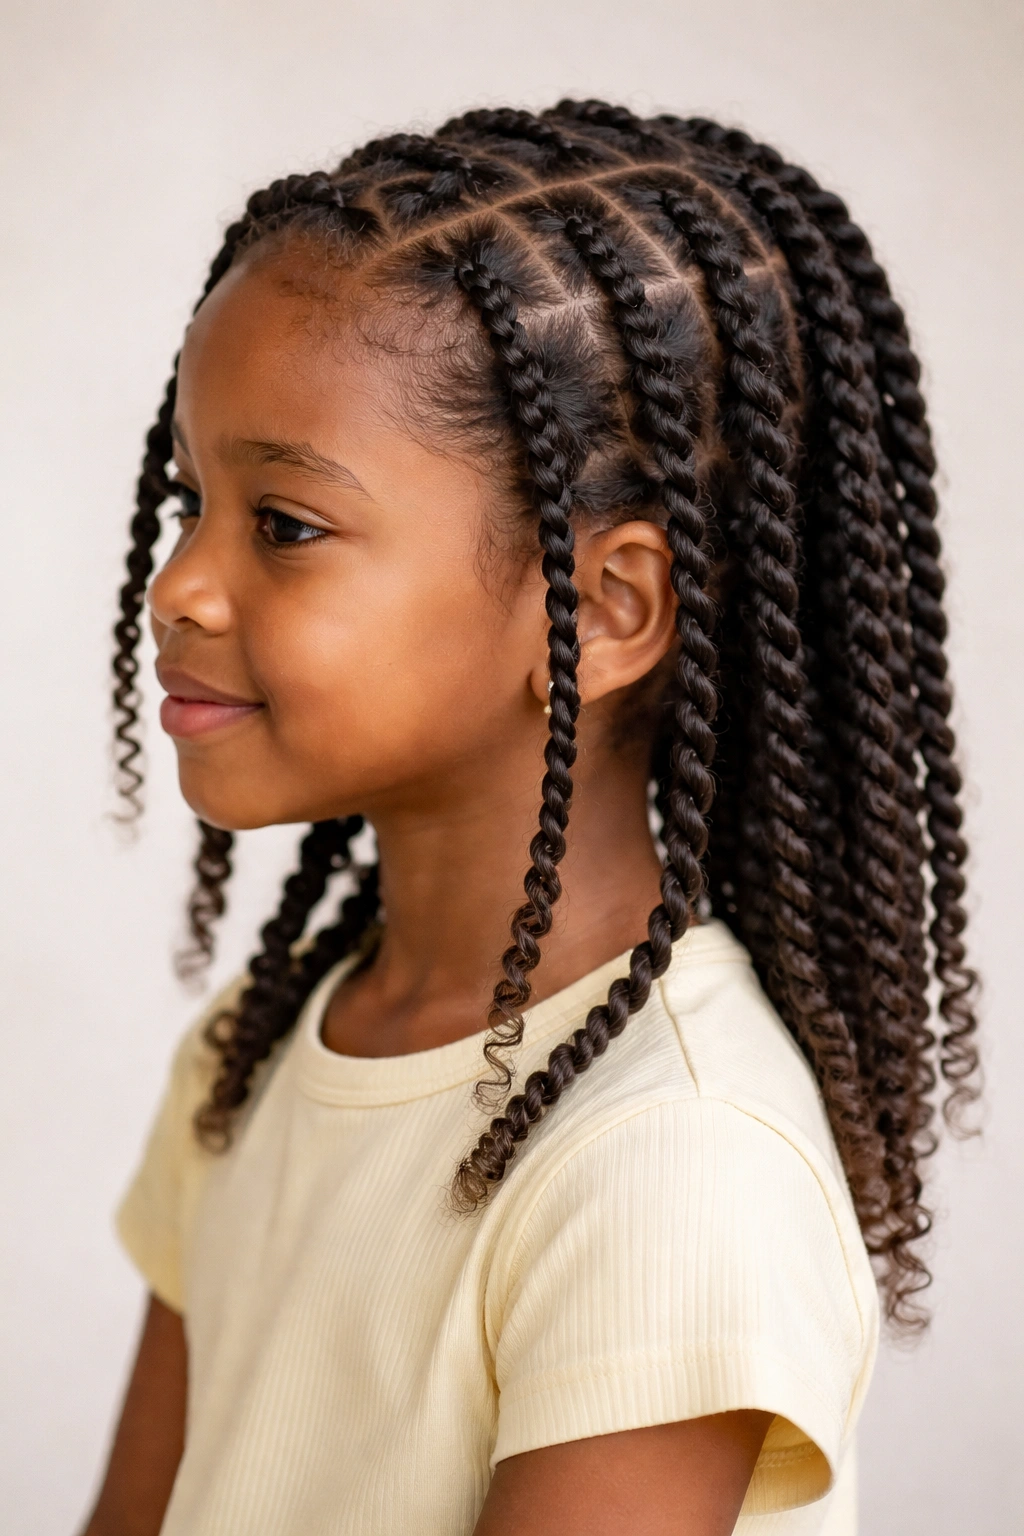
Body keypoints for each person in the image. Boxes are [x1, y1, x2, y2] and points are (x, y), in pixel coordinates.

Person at [83, 101, 978, 1536]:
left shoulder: (672, 1163)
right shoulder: (253, 1057)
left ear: (609, 610)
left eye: (286, 525)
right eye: (192, 501)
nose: (178, 586)